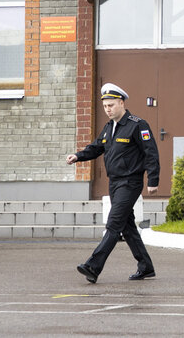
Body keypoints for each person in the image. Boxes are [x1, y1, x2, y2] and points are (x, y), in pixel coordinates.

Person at [66, 83, 159, 284]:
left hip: (130, 182)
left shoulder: (137, 124)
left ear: (121, 103)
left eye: (111, 105)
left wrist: (153, 180)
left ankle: (93, 266)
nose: (108, 109)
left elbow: (151, 152)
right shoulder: (109, 128)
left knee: (114, 223)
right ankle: (146, 267)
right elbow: (96, 148)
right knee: (127, 227)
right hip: (115, 183)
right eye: (106, 106)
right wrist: (78, 156)